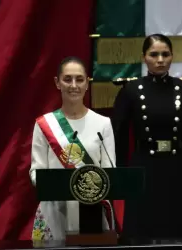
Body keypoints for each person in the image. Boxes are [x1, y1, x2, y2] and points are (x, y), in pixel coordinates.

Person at [112, 34, 182, 241]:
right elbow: (119, 136)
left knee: (179, 233)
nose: (160, 60)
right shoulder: (131, 90)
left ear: (172, 57)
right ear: (144, 57)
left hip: (177, 166)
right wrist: (122, 174)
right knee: (141, 233)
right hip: (143, 166)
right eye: (154, 54)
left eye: (165, 54)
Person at [29, 57, 116, 241]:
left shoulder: (103, 124)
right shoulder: (44, 125)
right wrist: (54, 185)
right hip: (55, 208)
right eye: (67, 79)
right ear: (57, 83)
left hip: (91, 211)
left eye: (79, 79)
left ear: (87, 83)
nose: (74, 85)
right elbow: (36, 171)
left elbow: (109, 172)